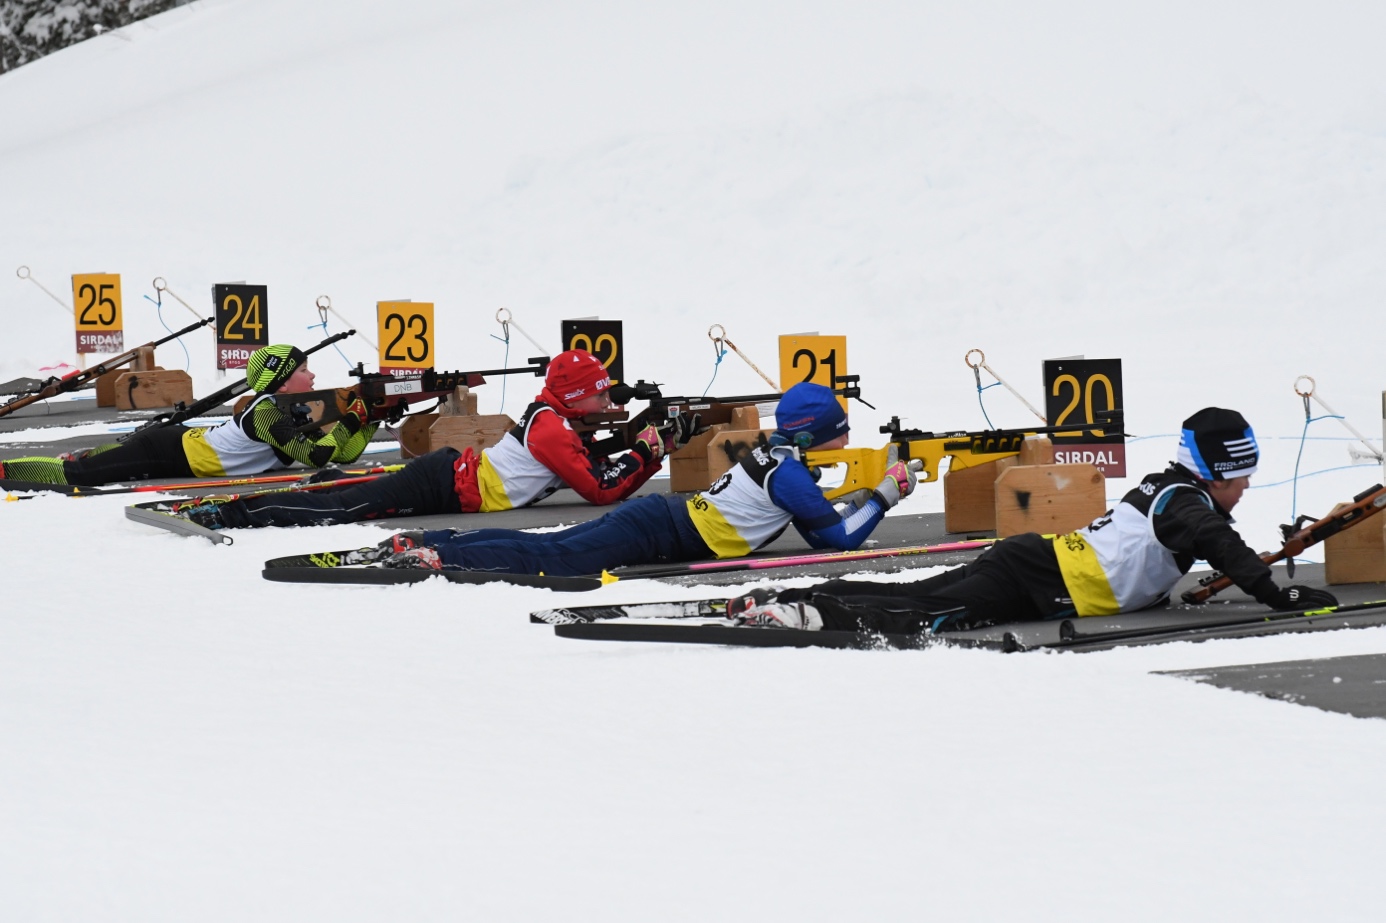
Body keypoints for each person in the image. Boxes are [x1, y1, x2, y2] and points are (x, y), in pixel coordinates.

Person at [727, 407, 1339, 632]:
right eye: (1240, 481)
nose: (1245, 491)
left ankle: (792, 594)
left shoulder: (1172, 488)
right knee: (931, 615)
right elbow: (1219, 543)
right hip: (1043, 579)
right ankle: (804, 613)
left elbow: (1212, 543)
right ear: (1215, 474)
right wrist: (1275, 598)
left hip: (1039, 562)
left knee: (918, 594)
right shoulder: (1187, 504)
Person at [375, 381, 918, 577]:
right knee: (555, 558)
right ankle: (441, 556)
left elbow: (815, 512)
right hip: (662, 531)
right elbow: (836, 538)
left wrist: (864, 495)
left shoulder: (776, 457)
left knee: (554, 545)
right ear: (818, 434)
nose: (847, 442)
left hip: (663, 521)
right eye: (841, 433)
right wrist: (885, 496)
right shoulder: (791, 477)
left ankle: (434, 543)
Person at [168, 349, 684, 530]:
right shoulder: (552, 426)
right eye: (597, 397)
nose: (605, 405)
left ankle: (239, 506)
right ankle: (233, 512)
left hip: (449, 477)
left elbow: (587, 460)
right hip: (445, 485)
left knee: (341, 498)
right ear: (575, 397)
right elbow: (598, 488)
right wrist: (647, 449)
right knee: (343, 509)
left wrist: (640, 440)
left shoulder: (554, 416)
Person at [0, 345, 377, 487]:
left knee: (86, 464)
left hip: (181, 448)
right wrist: (350, 420)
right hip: (167, 450)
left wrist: (370, 419)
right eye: (303, 371)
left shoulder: (291, 411)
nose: (312, 376)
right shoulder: (266, 413)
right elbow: (318, 457)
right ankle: (5, 471)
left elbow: (343, 455)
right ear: (281, 383)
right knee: (79, 474)